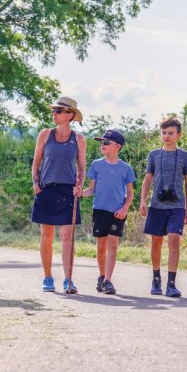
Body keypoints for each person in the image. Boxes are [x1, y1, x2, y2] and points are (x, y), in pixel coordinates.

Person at [31, 96, 86, 294]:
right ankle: (47, 277)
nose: (54, 113)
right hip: (47, 188)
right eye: (54, 110)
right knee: (47, 235)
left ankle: (68, 280)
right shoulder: (45, 134)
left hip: (68, 191)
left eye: (59, 111)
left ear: (69, 115)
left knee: (67, 236)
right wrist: (36, 184)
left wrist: (80, 185)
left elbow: (81, 168)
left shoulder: (78, 139)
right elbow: (36, 163)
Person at [140, 117, 187, 298]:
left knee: (174, 239)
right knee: (156, 241)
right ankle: (156, 278)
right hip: (156, 205)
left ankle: (172, 283)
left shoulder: (185, 156)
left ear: (178, 135)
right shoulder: (154, 155)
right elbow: (148, 179)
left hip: (177, 205)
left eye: (170, 133)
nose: (166, 136)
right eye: (163, 133)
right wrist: (142, 200)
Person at [80, 129, 136, 295]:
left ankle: (108, 280)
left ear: (117, 146)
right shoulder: (96, 165)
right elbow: (91, 190)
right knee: (101, 246)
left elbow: (130, 193)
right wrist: (81, 193)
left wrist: (125, 208)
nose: (102, 145)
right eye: (101, 142)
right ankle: (102, 274)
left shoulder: (126, 168)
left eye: (106, 143)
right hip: (99, 210)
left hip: (117, 212)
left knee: (113, 244)